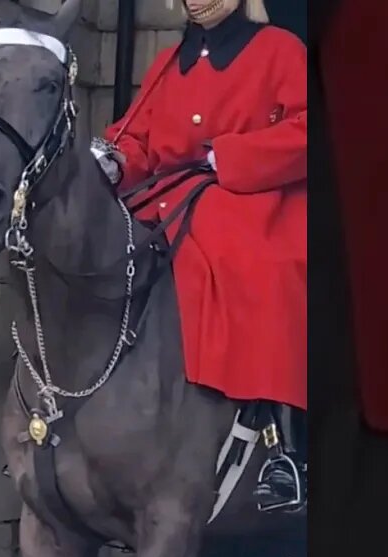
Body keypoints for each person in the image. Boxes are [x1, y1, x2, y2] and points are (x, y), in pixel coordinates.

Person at [92, 0, 308, 509]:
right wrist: (112, 164)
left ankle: (284, 447)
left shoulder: (279, 50)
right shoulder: (168, 62)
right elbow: (139, 144)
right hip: (164, 199)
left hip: (253, 201)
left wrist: (229, 155)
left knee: (262, 270)